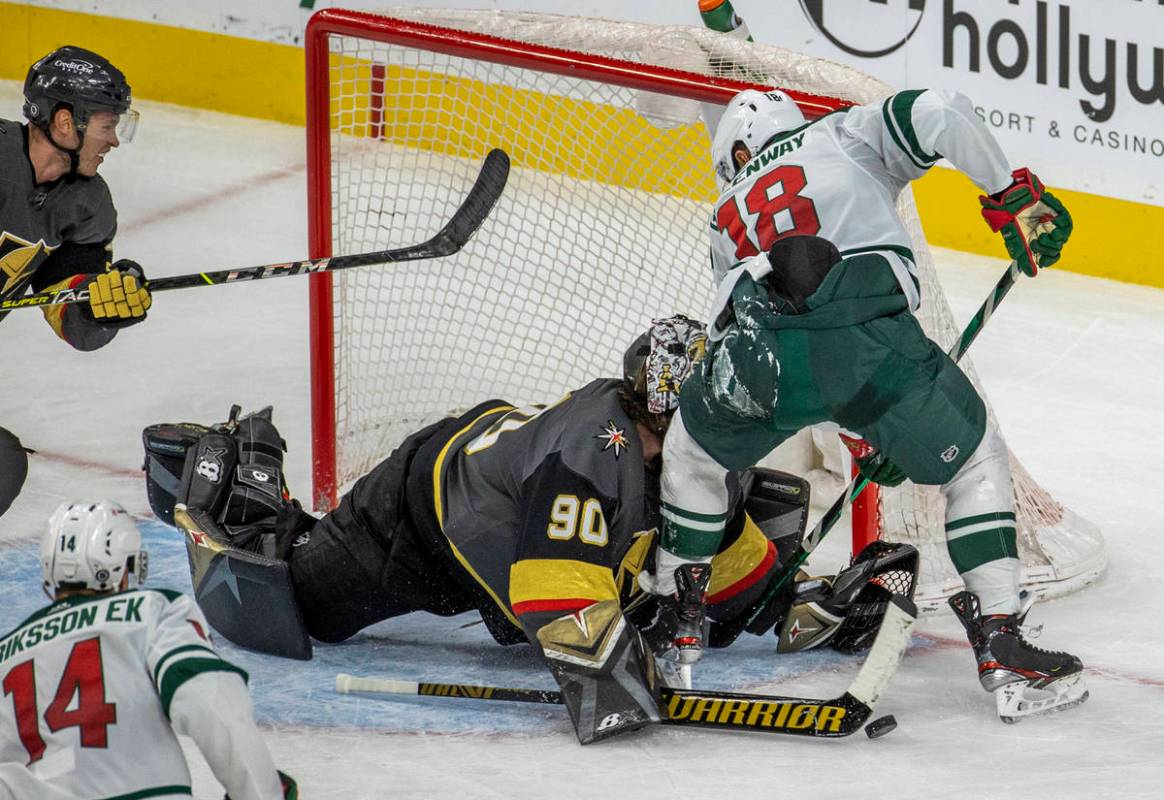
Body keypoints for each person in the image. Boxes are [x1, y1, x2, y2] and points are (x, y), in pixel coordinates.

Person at [143, 316, 917, 744]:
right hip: (423, 515)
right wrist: (613, 658)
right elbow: (561, 612)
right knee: (298, 603)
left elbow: (726, 568)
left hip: (504, 510)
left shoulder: (698, 448)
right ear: (661, 408)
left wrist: (801, 607)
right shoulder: (591, 459)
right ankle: (239, 466)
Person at [641, 77, 1083, 719]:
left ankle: (675, 625)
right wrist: (1013, 195)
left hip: (752, 359)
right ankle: (1001, 642)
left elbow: (764, 344)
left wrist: (870, 428)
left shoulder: (724, 212)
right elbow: (938, 109)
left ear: (735, 155)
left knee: (690, 455)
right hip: (865, 344)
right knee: (975, 462)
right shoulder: (837, 134)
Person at [0, 501, 296, 799]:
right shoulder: (152, 611)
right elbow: (210, 703)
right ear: (123, 565)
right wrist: (264, 790)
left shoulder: (5, 654)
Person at [0, 46, 153, 520]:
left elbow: (69, 314)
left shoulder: (86, 206)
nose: (114, 141)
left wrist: (105, 306)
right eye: (108, 126)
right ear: (66, 123)